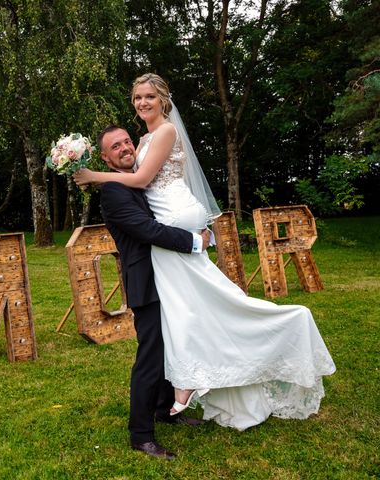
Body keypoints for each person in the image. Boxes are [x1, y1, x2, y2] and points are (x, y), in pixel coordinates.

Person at [74, 73, 336, 430]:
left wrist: (92, 174)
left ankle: (183, 389)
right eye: (137, 97)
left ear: (163, 99)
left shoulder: (163, 133)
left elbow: (139, 180)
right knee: (193, 316)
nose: (142, 103)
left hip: (176, 234)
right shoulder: (143, 141)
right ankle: (166, 405)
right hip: (163, 248)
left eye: (149, 96)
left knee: (201, 311)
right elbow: (139, 199)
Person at [92, 125, 212, 460]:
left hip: (169, 277)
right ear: (105, 158)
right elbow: (148, 230)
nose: (125, 148)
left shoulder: (141, 180)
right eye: (116, 147)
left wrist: (200, 228)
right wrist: (193, 243)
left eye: (128, 141)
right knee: (150, 357)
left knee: (169, 345)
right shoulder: (115, 190)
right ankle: (140, 435)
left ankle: (163, 409)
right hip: (146, 280)